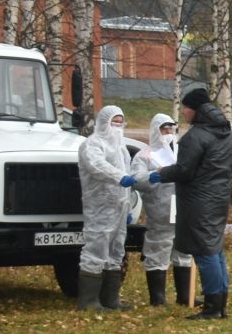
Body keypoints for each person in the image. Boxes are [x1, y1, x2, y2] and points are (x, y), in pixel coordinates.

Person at [160, 87, 232, 319]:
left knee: (205, 252)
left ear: (196, 110)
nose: (183, 111)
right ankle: (220, 302)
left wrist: (162, 172)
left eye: (186, 107)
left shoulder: (196, 136)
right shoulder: (227, 133)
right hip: (218, 198)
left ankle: (213, 306)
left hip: (199, 201)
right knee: (215, 249)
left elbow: (184, 170)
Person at [76, 104, 134, 311]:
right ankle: (89, 301)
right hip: (100, 207)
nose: (118, 126)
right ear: (104, 122)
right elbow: (97, 166)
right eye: (114, 122)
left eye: (120, 122)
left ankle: (110, 299)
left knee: (116, 249)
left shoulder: (121, 147)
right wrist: (121, 177)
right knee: (96, 247)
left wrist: (127, 208)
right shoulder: (92, 144)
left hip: (119, 206)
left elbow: (128, 172)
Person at [131, 114, 181, 307]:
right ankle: (158, 298)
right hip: (159, 209)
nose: (168, 133)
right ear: (155, 130)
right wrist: (153, 177)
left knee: (183, 250)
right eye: (164, 129)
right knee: (158, 249)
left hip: (181, 207)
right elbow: (136, 178)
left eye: (171, 129)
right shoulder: (145, 154)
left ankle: (184, 295)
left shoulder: (181, 150)